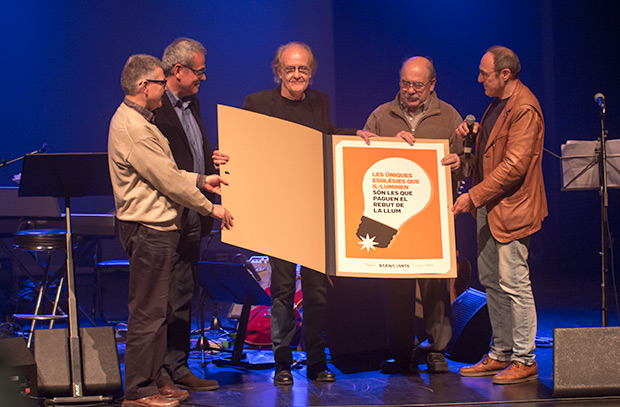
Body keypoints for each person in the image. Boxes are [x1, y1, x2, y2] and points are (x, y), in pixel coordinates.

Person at [242, 41, 375, 386]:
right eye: (290, 69)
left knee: (317, 293)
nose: (297, 75)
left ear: (311, 72)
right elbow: (245, 147)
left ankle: (316, 361)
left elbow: (327, 136)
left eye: (303, 69)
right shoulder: (258, 104)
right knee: (283, 291)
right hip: (279, 212)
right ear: (278, 72)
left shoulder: (319, 102)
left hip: (315, 210)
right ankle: (282, 363)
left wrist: (356, 135)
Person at [108, 54, 233, 407]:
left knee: (160, 310)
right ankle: (138, 390)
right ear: (142, 86)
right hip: (149, 229)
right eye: (160, 82)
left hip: (160, 228)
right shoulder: (133, 127)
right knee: (148, 313)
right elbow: (166, 180)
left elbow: (167, 170)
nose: (164, 88)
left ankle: (155, 379)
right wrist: (211, 207)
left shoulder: (142, 121)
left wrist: (199, 178)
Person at [364, 56, 471, 374]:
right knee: (395, 283)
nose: (410, 90)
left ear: (432, 85)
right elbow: (364, 156)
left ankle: (437, 351)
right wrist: (384, 145)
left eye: (417, 85)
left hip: (434, 215)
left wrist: (459, 163)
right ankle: (401, 352)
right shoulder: (381, 115)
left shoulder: (449, 115)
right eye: (404, 83)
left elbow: (467, 163)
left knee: (435, 283)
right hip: (392, 214)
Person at [453, 46, 546, 385]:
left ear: (505, 75)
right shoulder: (498, 103)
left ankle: (525, 358)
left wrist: (472, 197)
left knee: (514, 283)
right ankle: (501, 352)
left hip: (512, 209)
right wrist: (470, 143)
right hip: (491, 207)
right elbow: (494, 153)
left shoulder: (524, 108)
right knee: (492, 282)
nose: (479, 79)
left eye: (485, 74)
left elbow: (513, 167)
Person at [153, 37, 228, 393]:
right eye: (198, 72)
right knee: (164, 298)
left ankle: (178, 365)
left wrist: (213, 158)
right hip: (167, 215)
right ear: (177, 71)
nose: (203, 78)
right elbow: (163, 169)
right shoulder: (153, 109)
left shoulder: (191, 101)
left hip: (197, 211)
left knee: (184, 292)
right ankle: (159, 373)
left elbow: (195, 147)